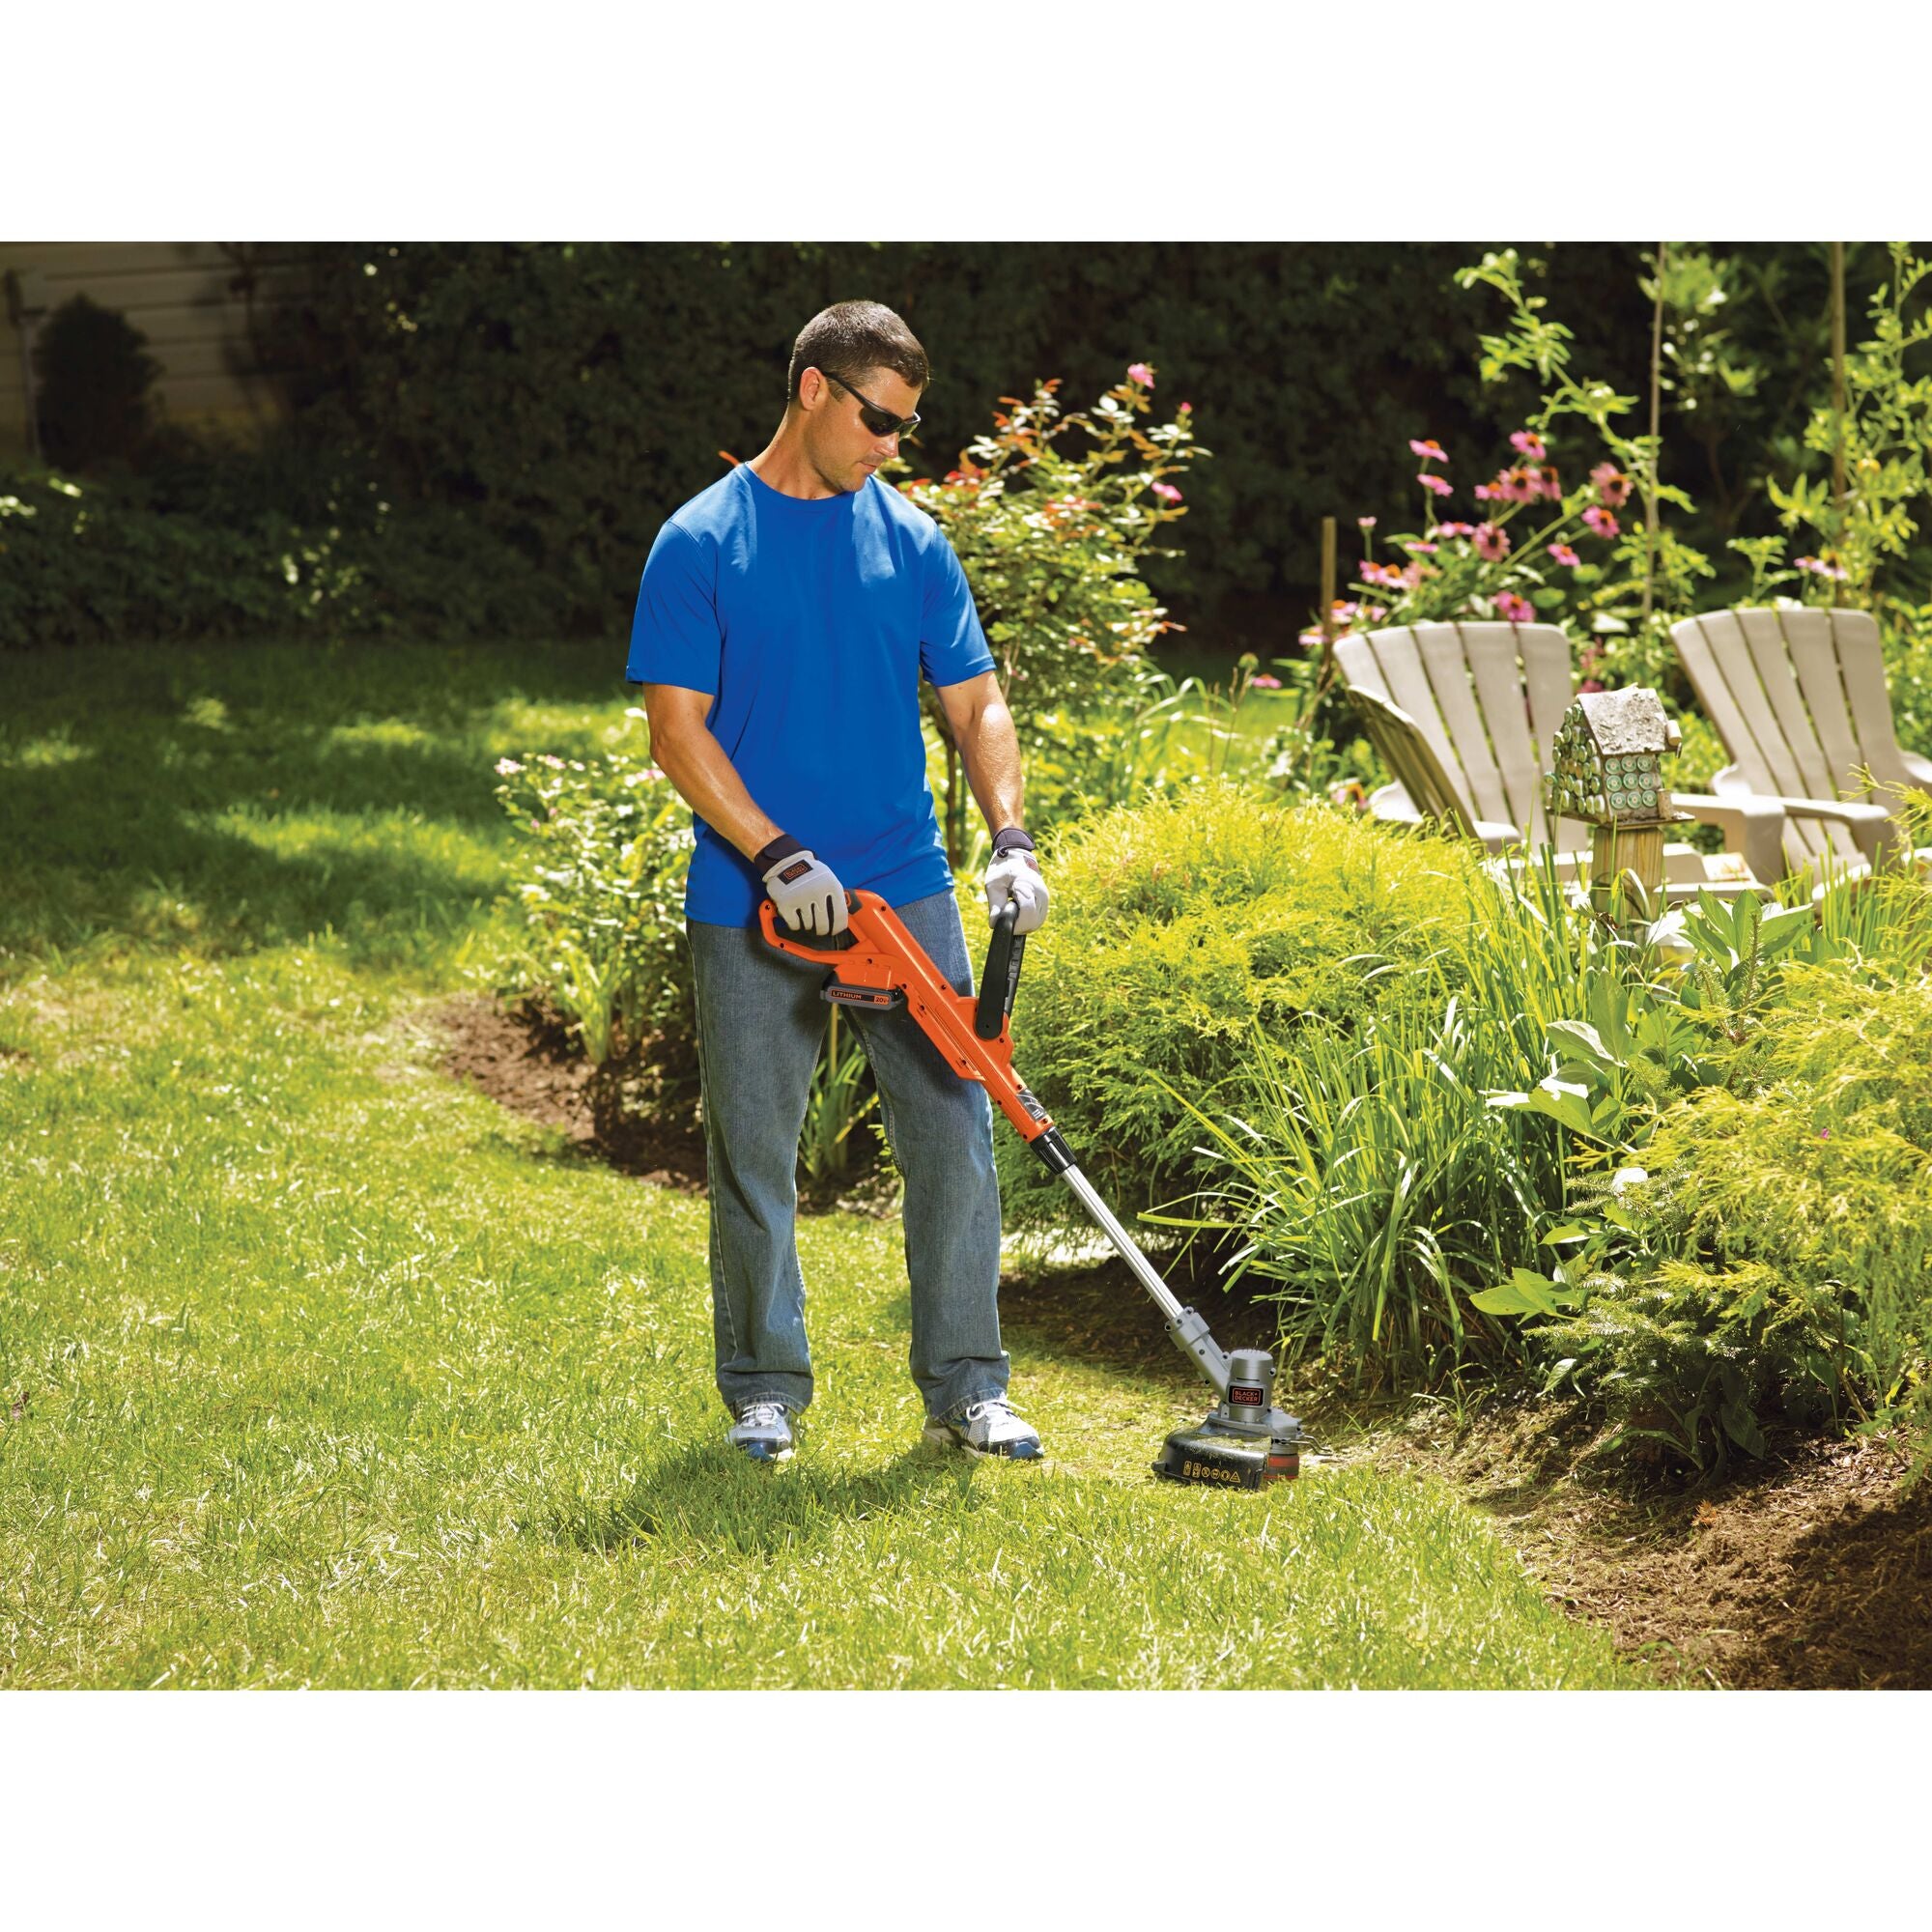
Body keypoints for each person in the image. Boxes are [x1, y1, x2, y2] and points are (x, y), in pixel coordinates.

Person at [627, 300, 1050, 1465]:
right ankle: (764, 1391)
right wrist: (771, 850)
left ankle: (968, 1386)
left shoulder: (910, 541)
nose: (890, 445)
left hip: (898, 883)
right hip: (751, 894)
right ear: (812, 388)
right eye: (877, 418)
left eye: (906, 427)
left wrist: (1009, 835)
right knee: (755, 1147)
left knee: (953, 1130)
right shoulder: (701, 542)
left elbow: (976, 702)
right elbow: (678, 732)